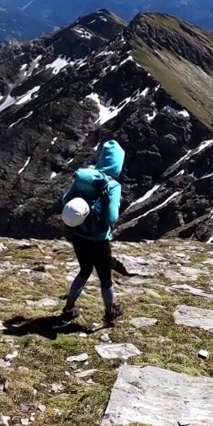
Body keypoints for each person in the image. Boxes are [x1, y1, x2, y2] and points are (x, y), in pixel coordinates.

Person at [57, 139, 125, 327]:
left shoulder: (85, 177)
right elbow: (111, 217)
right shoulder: (112, 185)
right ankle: (110, 312)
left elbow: (65, 199)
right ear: (118, 164)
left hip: (78, 234)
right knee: (105, 277)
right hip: (98, 239)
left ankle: (69, 309)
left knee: (84, 270)